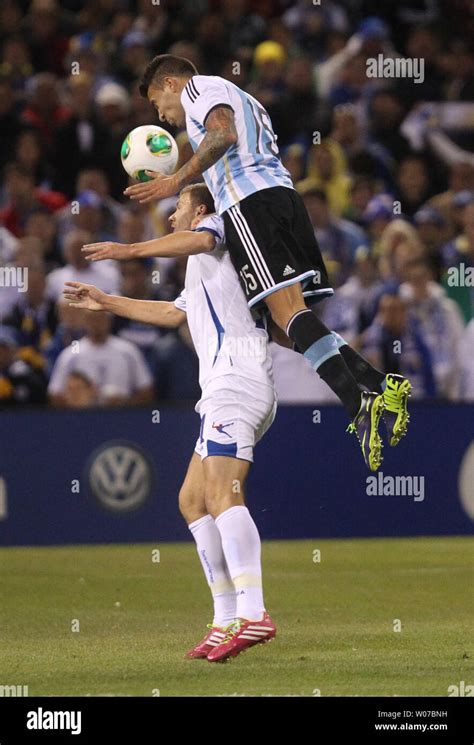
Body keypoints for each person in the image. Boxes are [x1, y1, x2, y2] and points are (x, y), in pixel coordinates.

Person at [120, 55, 411, 468]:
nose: (162, 115)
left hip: (251, 204)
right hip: (279, 198)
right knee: (284, 322)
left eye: (156, 102)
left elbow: (222, 135)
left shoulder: (200, 89)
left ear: (171, 83)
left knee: (288, 314)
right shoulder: (241, 95)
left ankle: (358, 402)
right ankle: (379, 385)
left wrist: (175, 180)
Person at [66, 184, 277, 662]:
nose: (170, 218)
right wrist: (107, 300)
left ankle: (255, 611)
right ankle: (226, 618)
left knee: (224, 494)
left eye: (177, 208)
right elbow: (170, 313)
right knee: (191, 499)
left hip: (236, 379)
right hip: (226, 386)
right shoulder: (202, 271)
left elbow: (201, 239)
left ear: (199, 209)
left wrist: (130, 250)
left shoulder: (219, 229)